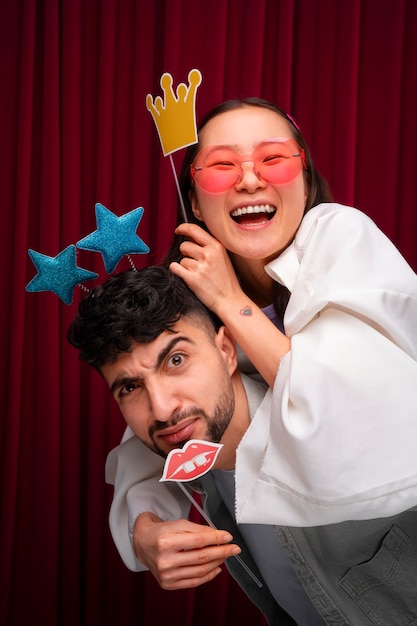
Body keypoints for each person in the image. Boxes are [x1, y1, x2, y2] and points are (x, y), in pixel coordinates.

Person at [101, 99, 417, 618]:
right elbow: (155, 433)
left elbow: (339, 413)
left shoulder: (340, 237)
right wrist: (146, 531)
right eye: (223, 166)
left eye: (274, 159)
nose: (250, 180)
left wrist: (229, 299)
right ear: (196, 204)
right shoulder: (183, 298)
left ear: (306, 181)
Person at [68, 266, 417, 624]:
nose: (162, 408)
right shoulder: (191, 448)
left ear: (227, 350)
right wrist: (143, 529)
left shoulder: (349, 417)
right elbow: (134, 459)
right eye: (130, 387)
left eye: (176, 360)